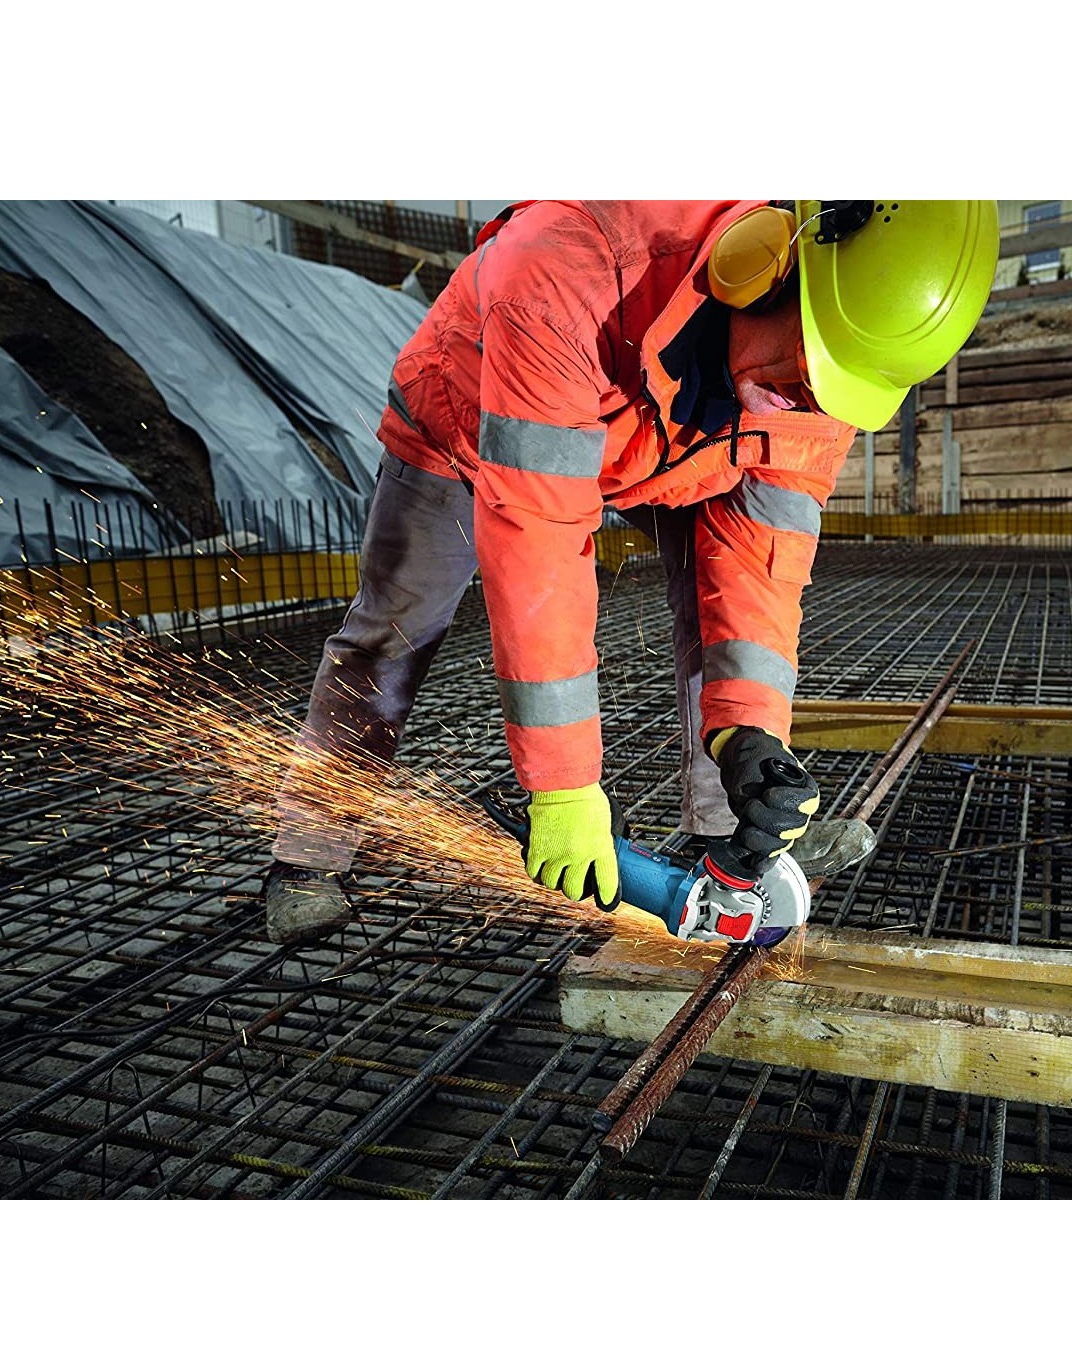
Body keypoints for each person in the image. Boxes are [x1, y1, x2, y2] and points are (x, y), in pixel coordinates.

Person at [266, 200, 999, 944]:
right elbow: (540, 546)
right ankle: (309, 854)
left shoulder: (817, 398)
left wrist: (748, 732)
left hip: (667, 448)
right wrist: (563, 786)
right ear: (765, 266)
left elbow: (758, 570)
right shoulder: (566, 266)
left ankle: (724, 839)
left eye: (832, 390)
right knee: (394, 632)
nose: (804, 402)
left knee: (715, 618)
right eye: (810, 368)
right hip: (470, 426)